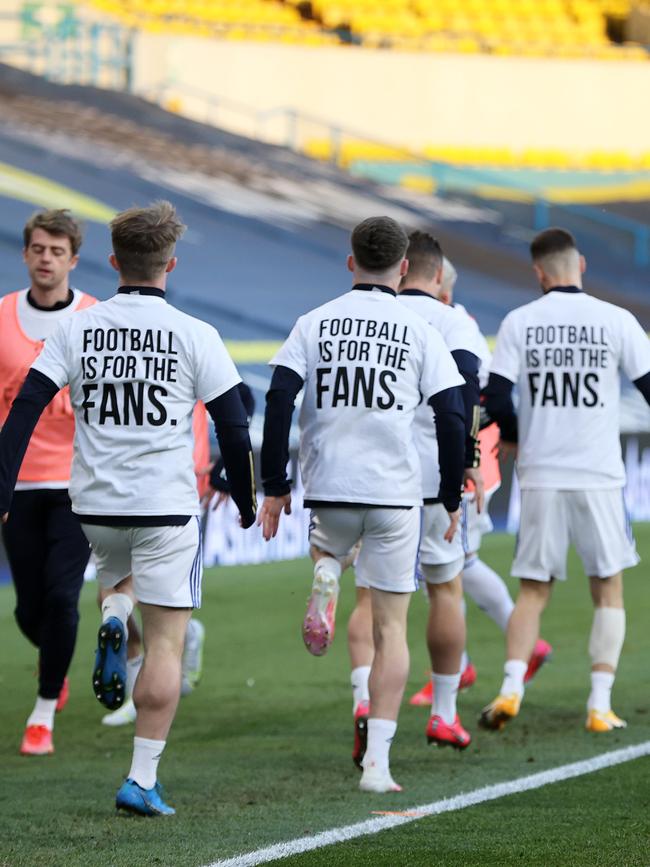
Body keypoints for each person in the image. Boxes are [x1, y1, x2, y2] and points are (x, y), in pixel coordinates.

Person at [0, 201, 257, 815]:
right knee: (166, 645)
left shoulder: (75, 328)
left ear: (114, 262)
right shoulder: (197, 334)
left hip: (93, 504)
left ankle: (115, 608)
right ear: (172, 264)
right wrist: (246, 499)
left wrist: (1, 488)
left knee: (116, 575)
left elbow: (25, 408)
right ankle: (141, 778)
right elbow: (234, 424)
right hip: (166, 505)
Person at [258, 216, 466, 793]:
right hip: (396, 493)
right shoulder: (420, 329)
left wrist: (274, 484)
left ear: (351, 262)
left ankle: (327, 567)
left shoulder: (314, 321)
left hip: (331, 485)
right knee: (391, 629)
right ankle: (377, 763)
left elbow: (278, 397)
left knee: (330, 545)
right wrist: (450, 493)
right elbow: (451, 412)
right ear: (404, 268)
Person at [479, 227, 650, 733]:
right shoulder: (617, 320)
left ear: (539, 273)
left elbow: (496, 398)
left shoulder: (520, 322)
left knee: (533, 591)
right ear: (582, 266)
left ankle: (510, 690)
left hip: (541, 473)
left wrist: (513, 436)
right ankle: (599, 704)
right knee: (609, 588)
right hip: (598, 473)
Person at [344, 231, 484, 761]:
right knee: (445, 590)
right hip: (432, 482)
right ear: (436, 274)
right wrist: (465, 466)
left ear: (402, 269)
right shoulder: (456, 325)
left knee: (368, 597)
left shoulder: (367, 319)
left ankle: (364, 699)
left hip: (373, 478)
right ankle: (444, 713)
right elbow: (468, 399)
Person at [409, 256, 552, 708]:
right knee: (449, 570)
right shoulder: (456, 325)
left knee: (452, 568)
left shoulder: (455, 325)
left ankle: (487, 654)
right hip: (460, 461)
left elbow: (483, 397)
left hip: (459, 464)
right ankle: (467, 661)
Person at [100, 383, 255, 727]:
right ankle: (169, 649)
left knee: (139, 589)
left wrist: (223, 470)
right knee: (111, 593)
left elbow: (242, 399)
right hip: (126, 488)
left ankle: (141, 683)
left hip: (183, 494)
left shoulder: (187, 349)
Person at [0, 209, 96, 756]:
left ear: (73, 260)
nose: (46, 258)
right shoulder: (4, 315)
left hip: (77, 484)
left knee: (62, 597)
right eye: (38, 248)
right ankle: (53, 657)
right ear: (25, 253)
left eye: (57, 251)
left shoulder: (94, 317)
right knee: (28, 609)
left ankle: (42, 712)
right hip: (17, 484)